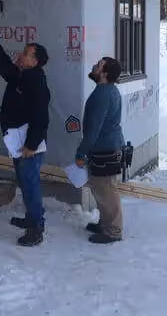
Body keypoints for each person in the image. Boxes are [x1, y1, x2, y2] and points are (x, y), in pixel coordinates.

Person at [0, 32, 50, 247]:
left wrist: (31, 145)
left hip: (28, 145)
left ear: (35, 61)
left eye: (26, 53)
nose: (21, 55)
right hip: (19, 142)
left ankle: (36, 229)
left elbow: (41, 116)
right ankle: (32, 218)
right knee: (25, 183)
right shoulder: (23, 76)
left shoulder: (35, 81)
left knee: (30, 185)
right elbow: (6, 68)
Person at [75, 57, 126, 244]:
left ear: (104, 73)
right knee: (101, 189)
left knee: (107, 191)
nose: (94, 66)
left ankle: (113, 231)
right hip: (106, 148)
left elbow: (93, 129)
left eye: (98, 65)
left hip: (105, 150)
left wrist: (81, 152)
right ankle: (105, 223)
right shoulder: (108, 90)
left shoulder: (103, 94)